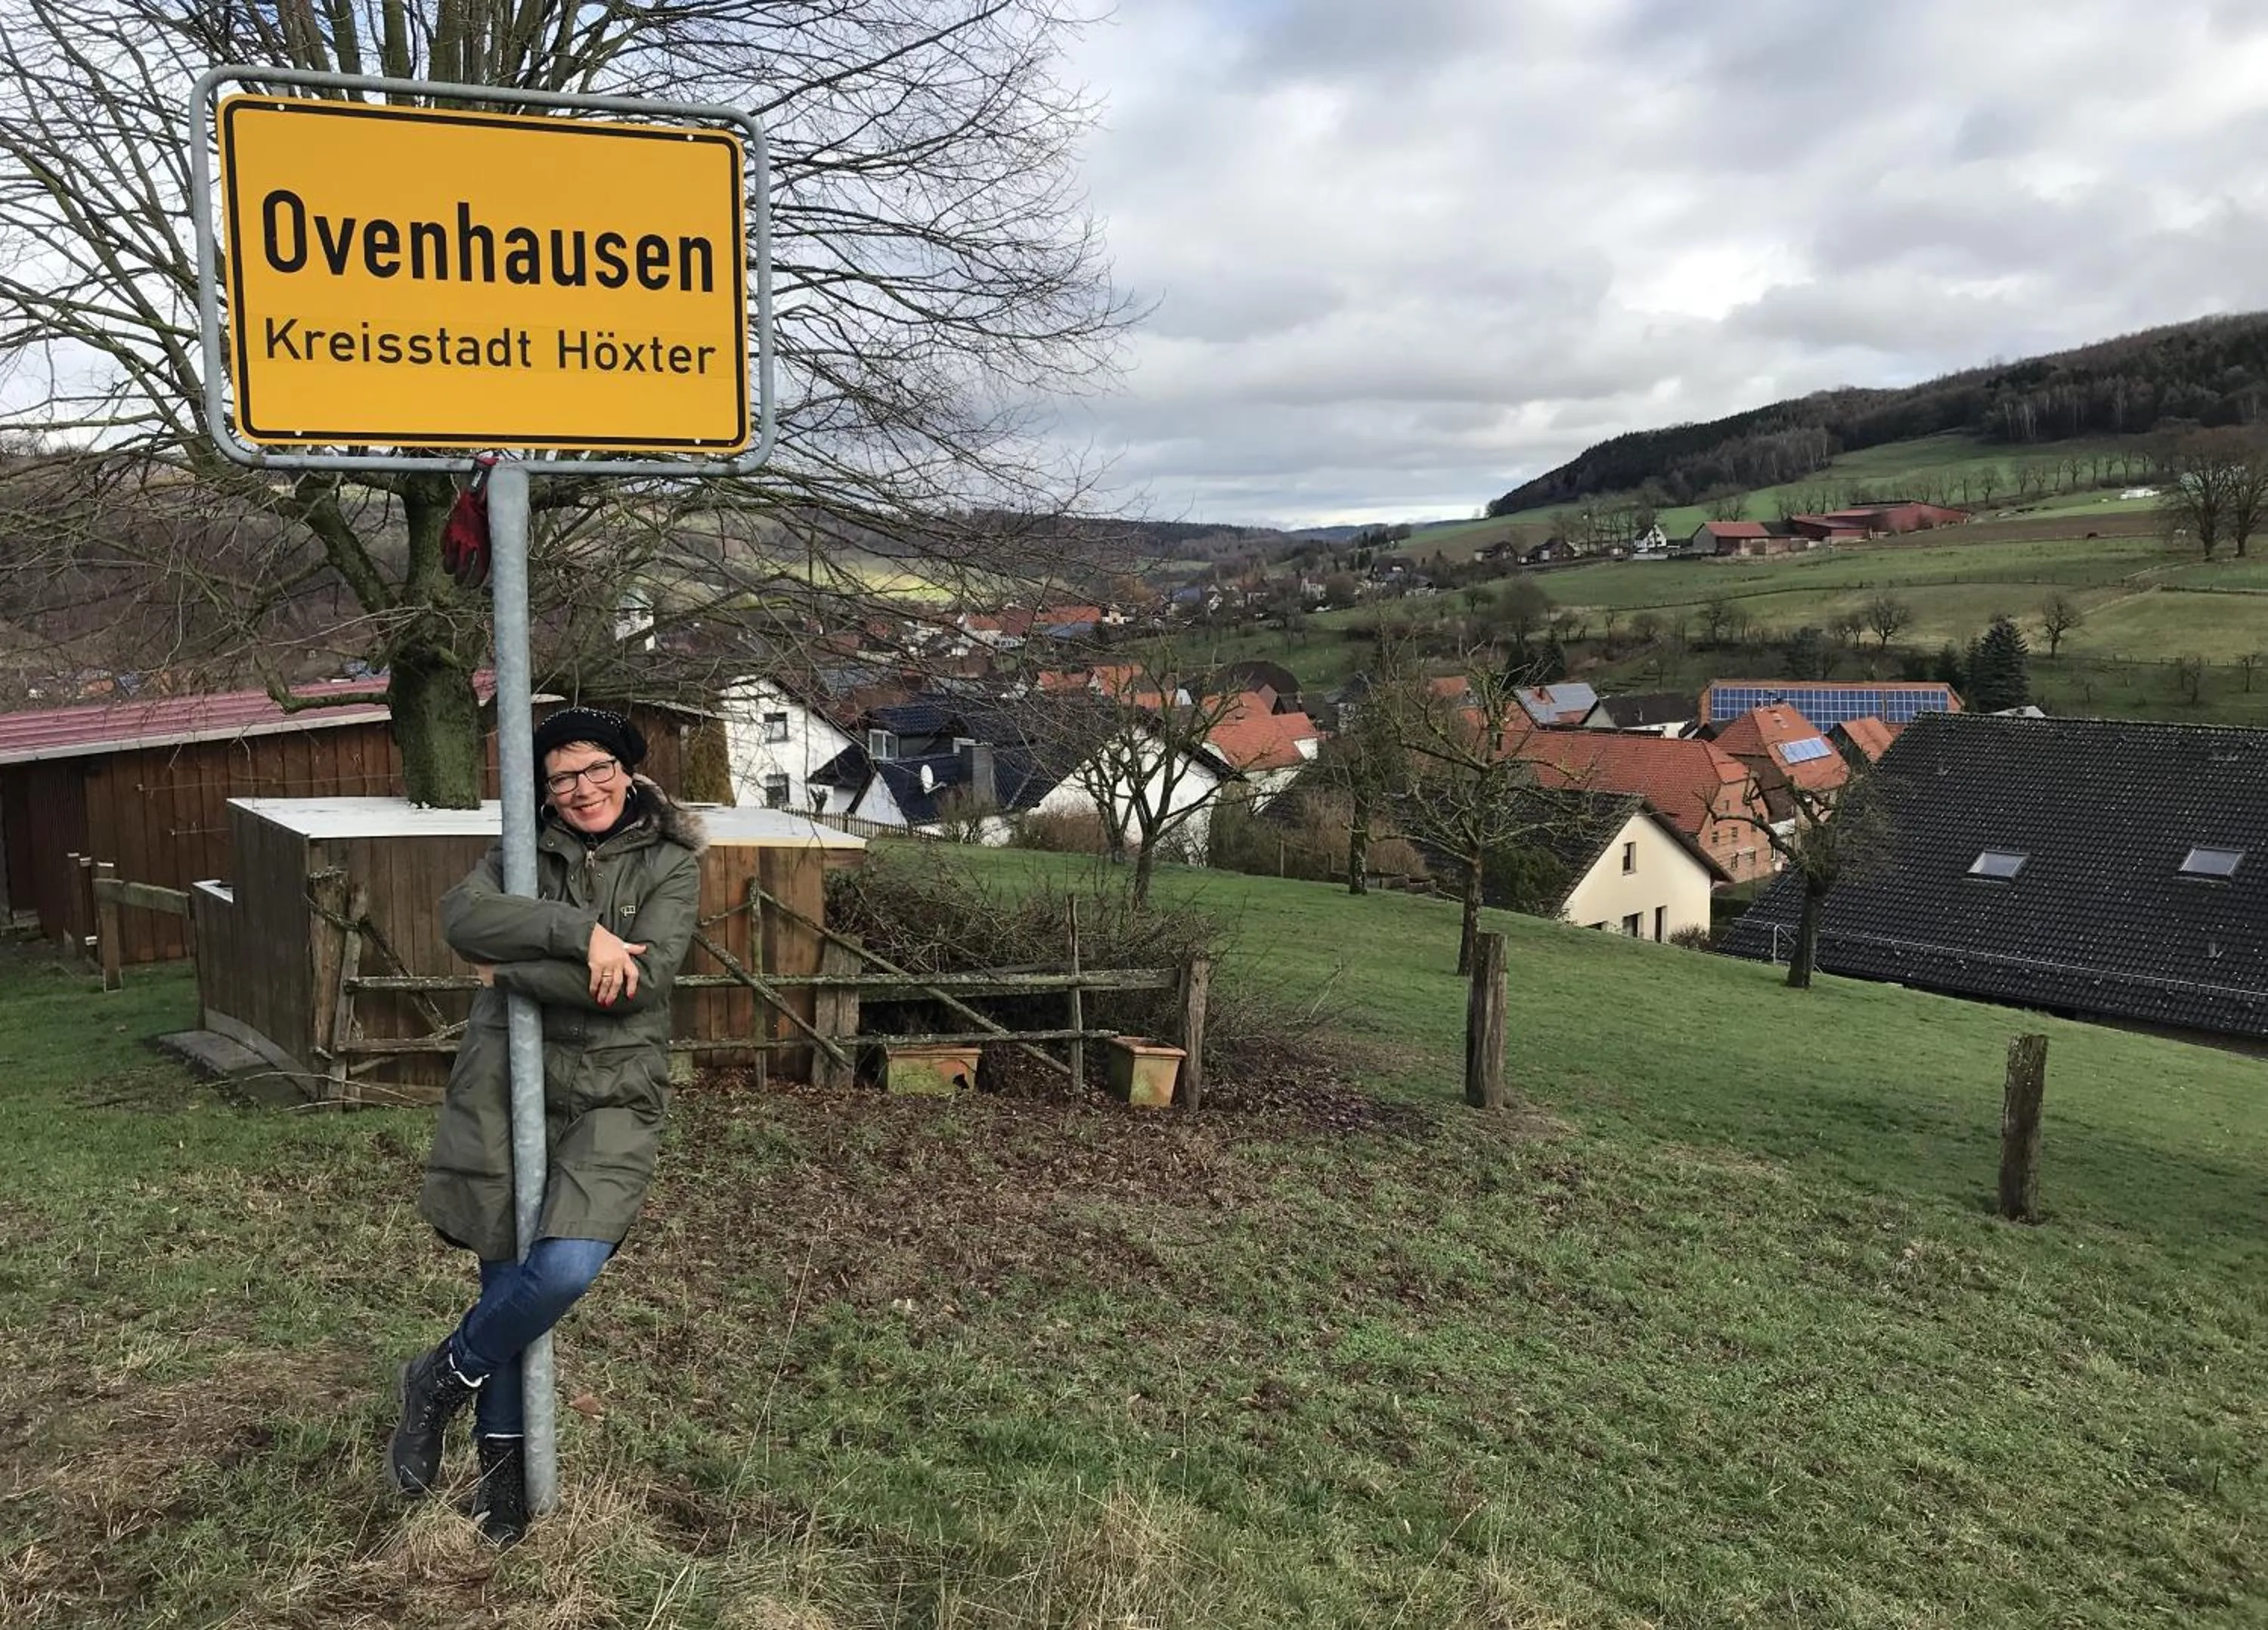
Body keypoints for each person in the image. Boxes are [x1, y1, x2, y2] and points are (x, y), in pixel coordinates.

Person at [387, 706, 705, 1546]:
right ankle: (504, 1508)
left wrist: (510, 972)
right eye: (562, 777)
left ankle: (436, 1377)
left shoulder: (673, 862)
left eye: (596, 768)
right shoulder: (523, 852)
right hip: (505, 1085)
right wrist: (582, 933)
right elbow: (461, 919)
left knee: (560, 1271)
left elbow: (642, 983)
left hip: (611, 1093)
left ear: (628, 771)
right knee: (506, 1295)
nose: (581, 788)